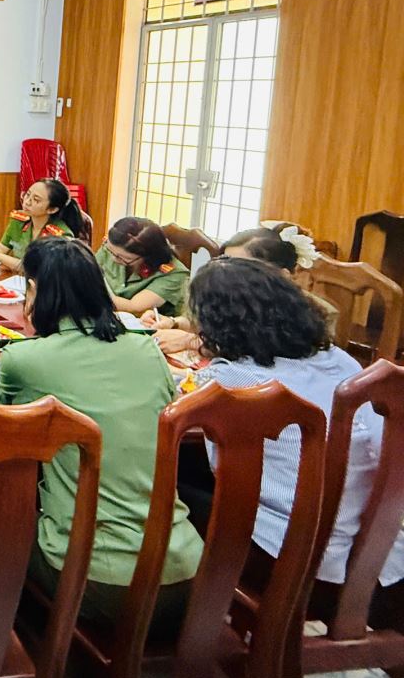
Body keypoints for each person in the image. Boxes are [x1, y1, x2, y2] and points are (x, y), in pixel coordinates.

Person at [0, 238, 202, 633]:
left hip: (99, 581)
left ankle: (23, 649)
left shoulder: (24, 359)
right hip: (187, 569)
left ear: (34, 290)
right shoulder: (147, 350)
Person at [190, 258, 404, 592]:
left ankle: (200, 605)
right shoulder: (339, 359)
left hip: (298, 556)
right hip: (381, 552)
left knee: (181, 487)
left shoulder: (232, 379)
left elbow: (215, 460)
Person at [151, 222, 337, 355]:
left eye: (242, 267)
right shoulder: (230, 294)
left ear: (282, 275)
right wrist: (173, 322)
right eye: (225, 262)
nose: (228, 273)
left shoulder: (315, 314)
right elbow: (202, 323)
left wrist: (192, 342)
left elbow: (262, 355)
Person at [0, 177, 83, 273]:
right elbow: (1, 248)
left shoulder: (60, 235)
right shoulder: (19, 220)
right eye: (27, 194)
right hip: (14, 280)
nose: (27, 202)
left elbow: (35, 269)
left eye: (36, 200)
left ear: (52, 209)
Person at [98, 216, 187, 316]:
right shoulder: (112, 249)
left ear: (148, 256)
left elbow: (134, 308)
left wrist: (92, 295)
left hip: (143, 323)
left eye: (122, 257)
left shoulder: (174, 273)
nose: (113, 259)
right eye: (110, 251)